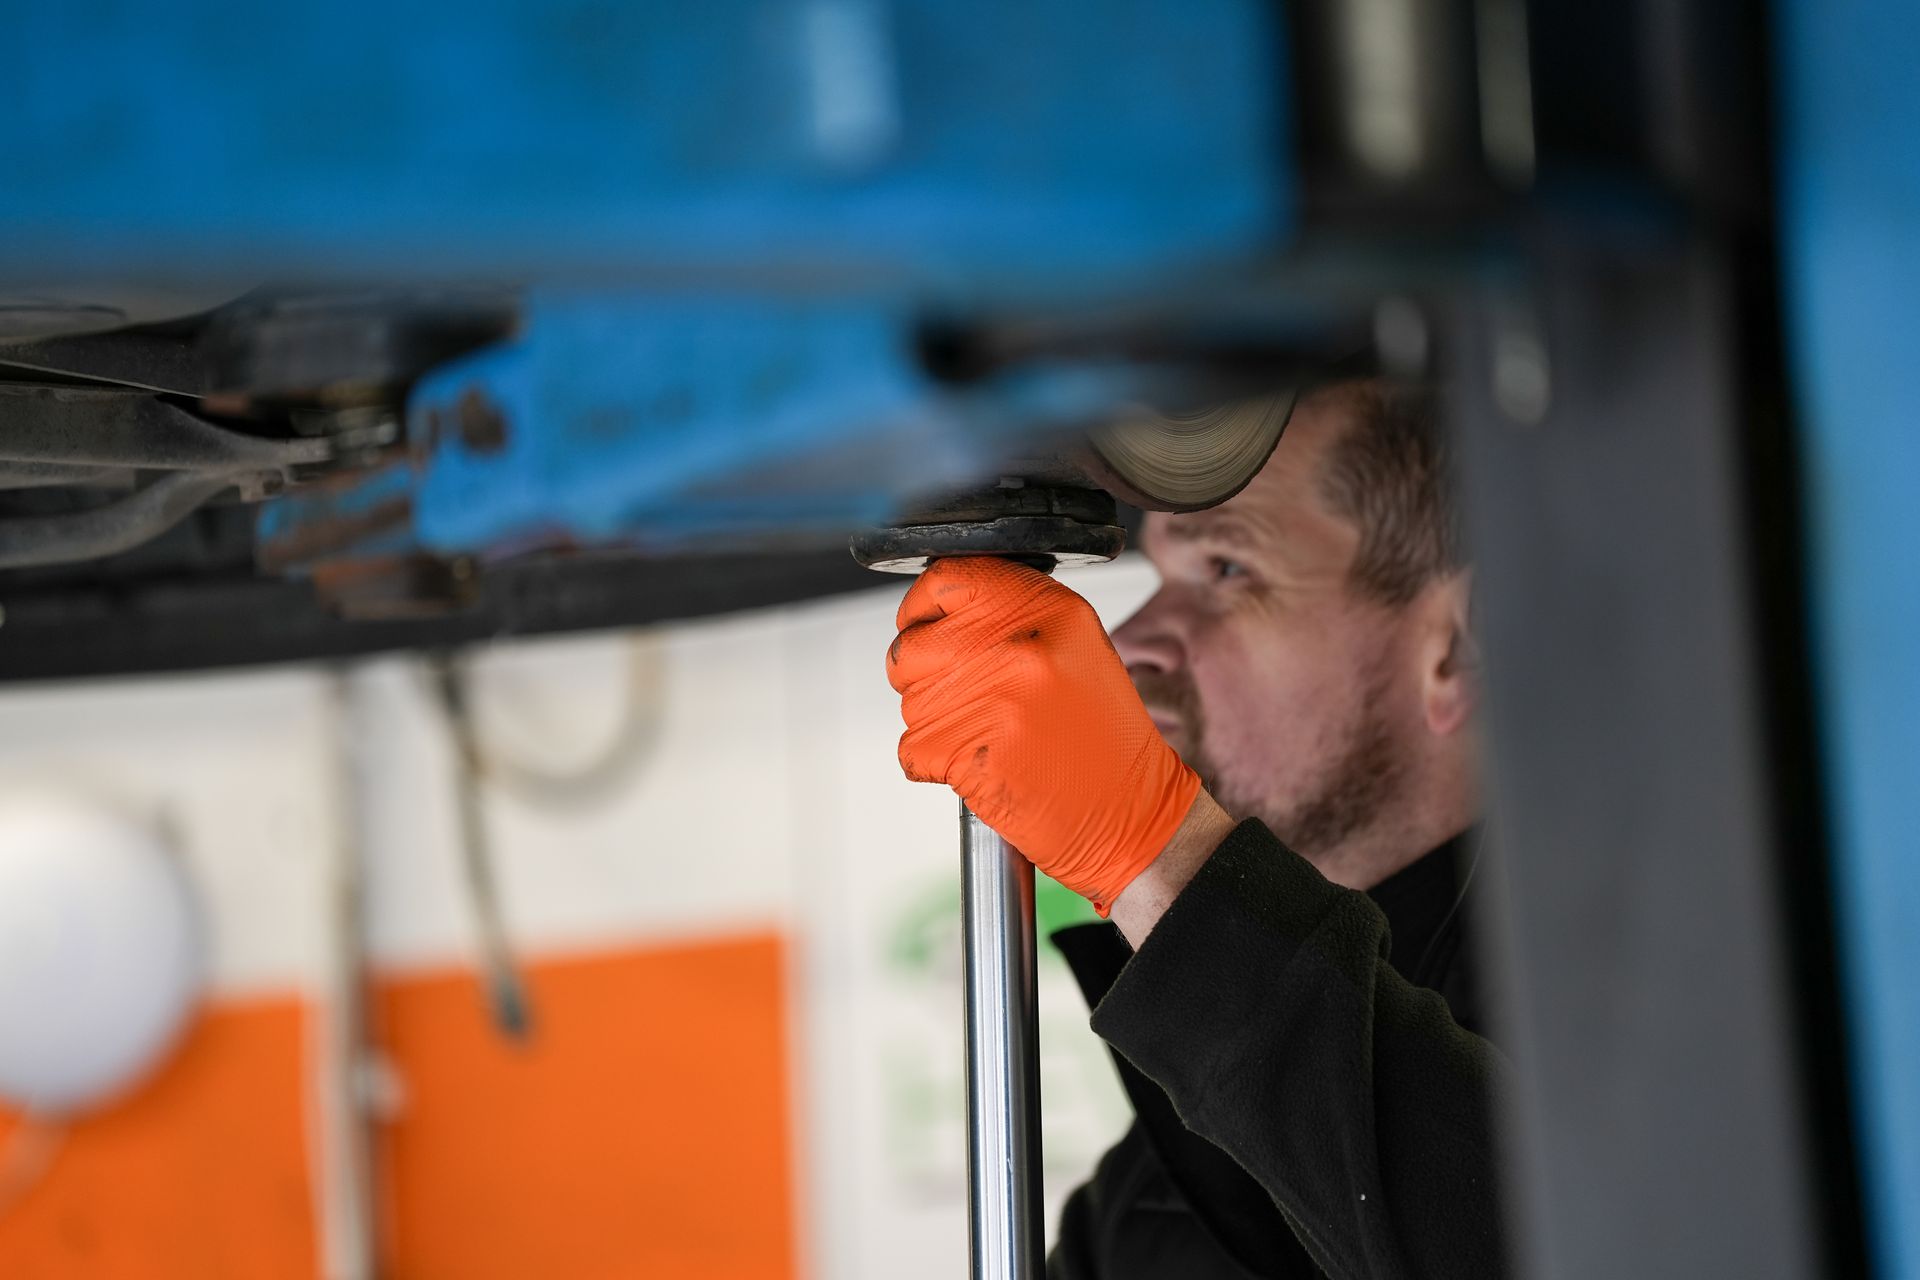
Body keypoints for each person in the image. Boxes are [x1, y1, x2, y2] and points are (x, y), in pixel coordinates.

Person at [885, 379, 1508, 1279]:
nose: (1135, 640)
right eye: (1162, 574)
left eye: (1226, 570)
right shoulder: (1145, 1208)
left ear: (1457, 644)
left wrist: (1155, 852)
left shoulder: (1632, 1019)